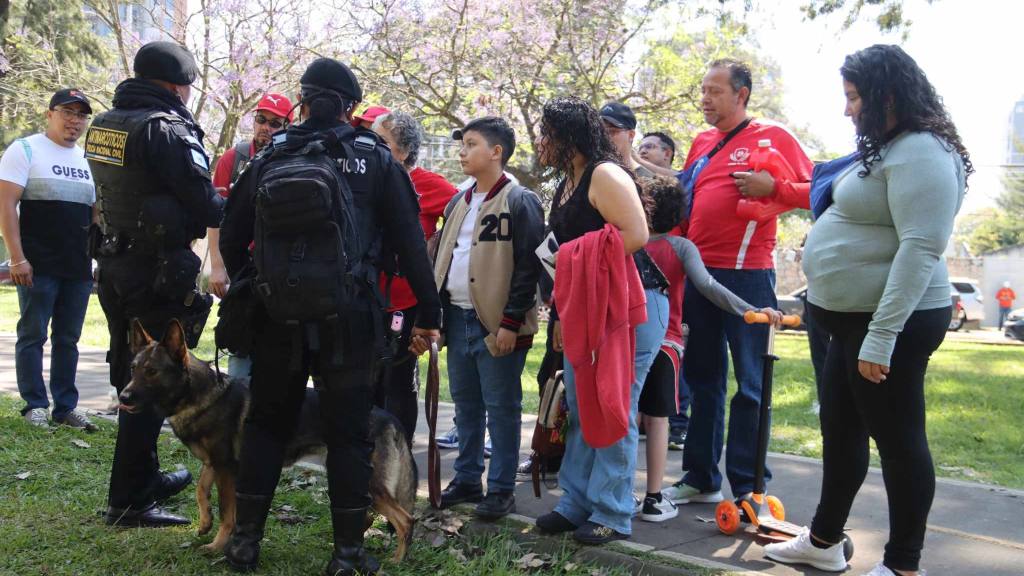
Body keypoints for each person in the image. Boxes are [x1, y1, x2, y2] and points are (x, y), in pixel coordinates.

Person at [219, 57, 441, 575]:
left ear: (302, 98)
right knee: (347, 434)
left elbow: (231, 236)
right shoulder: (376, 158)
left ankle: (246, 542)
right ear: (350, 106)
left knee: (267, 426)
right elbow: (411, 244)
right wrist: (428, 315)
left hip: (277, 315)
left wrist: (260, 286)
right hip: (351, 316)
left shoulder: (271, 152)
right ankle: (346, 554)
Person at [764, 45, 971, 576]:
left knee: (899, 442)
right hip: (849, 322)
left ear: (888, 95)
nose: (848, 109)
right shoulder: (890, 148)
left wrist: (882, 337)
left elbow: (921, 246)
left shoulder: (923, 150)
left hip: (890, 323)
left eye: (854, 97)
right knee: (842, 430)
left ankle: (903, 564)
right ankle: (825, 541)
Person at [662, 59, 813, 508]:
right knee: (702, 377)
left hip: (748, 277)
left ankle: (749, 487)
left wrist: (774, 187)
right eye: (702, 91)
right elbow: (687, 204)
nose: (704, 99)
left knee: (751, 384)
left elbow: (815, 189)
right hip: (698, 275)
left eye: (714, 91)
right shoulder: (702, 141)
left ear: (741, 94)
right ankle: (700, 477)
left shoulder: (774, 136)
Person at [84, 41, 224, 527]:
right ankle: (131, 498)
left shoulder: (104, 123)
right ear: (176, 85)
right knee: (155, 377)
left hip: (115, 263)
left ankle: (143, 476)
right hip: (157, 272)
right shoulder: (165, 128)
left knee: (130, 368)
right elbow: (206, 205)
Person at [532, 96, 664, 545]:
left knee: (613, 407)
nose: (539, 140)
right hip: (585, 309)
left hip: (628, 305)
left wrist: (571, 257)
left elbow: (636, 234)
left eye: (546, 132)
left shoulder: (604, 174)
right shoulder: (566, 182)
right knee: (582, 409)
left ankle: (612, 511)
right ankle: (576, 503)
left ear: (568, 136)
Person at [637, 175, 783, 522]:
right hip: (666, 344)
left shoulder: (634, 242)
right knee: (658, 420)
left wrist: (750, 309)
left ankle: (620, 493)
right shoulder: (680, 247)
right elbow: (709, 286)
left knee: (632, 418)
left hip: (631, 343)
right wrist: (750, 309)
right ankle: (654, 496)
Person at [432, 116, 544, 520]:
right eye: (462, 144)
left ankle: (499, 488)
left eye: (471, 144)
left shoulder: (519, 200)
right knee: (465, 404)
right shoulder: (458, 201)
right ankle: (466, 477)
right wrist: (437, 317)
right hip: (458, 317)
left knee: (501, 405)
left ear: (496, 152)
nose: (462, 152)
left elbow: (528, 265)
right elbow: (445, 259)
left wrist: (511, 322)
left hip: (496, 323)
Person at [0, 89, 98, 431]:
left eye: (81, 115)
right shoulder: (25, 149)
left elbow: (97, 215)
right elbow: (6, 206)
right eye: (67, 112)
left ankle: (65, 407)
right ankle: (34, 405)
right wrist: (17, 258)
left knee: (68, 339)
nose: (74, 120)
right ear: (50, 114)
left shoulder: (89, 159)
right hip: (36, 265)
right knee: (32, 334)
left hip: (78, 267)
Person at [370, 108, 458, 444]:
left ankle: (399, 456)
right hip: (366, 298)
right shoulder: (368, 180)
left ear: (404, 151)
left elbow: (463, 224)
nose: (373, 148)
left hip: (407, 304)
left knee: (399, 381)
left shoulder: (431, 186)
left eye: (382, 142)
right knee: (366, 382)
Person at [207, 92, 293, 379]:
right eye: (261, 119)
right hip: (241, 269)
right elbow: (216, 217)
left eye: (275, 123)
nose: (265, 128)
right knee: (239, 342)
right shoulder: (234, 159)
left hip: (278, 271)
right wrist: (218, 267)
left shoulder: (292, 160)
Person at [600, 101, 655, 179]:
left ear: (631, 135)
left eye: (611, 131)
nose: (604, 136)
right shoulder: (588, 175)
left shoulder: (648, 181)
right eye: (600, 131)